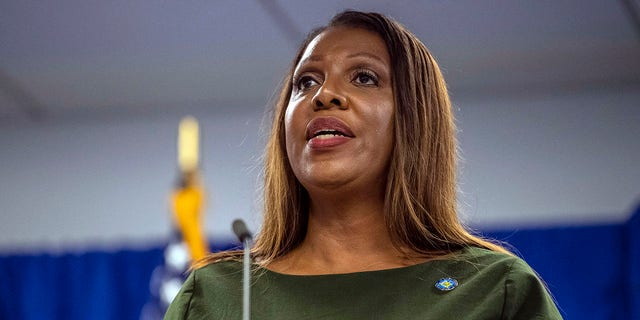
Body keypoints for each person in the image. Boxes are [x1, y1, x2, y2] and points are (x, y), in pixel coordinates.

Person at [164, 10, 562, 319]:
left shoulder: (495, 290)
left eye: (365, 78)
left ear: (414, 116)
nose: (325, 95)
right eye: (306, 82)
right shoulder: (215, 296)